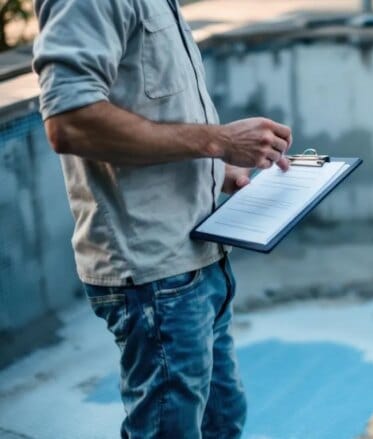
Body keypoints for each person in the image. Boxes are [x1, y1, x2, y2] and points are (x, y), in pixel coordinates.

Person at [32, 0, 292, 437]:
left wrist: (216, 170)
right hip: (156, 278)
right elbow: (69, 122)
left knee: (222, 423)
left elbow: (152, 109)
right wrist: (220, 141)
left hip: (199, 260)